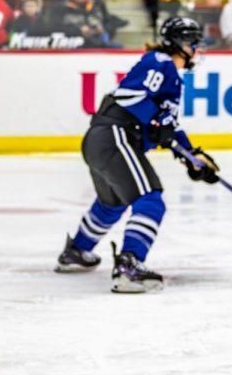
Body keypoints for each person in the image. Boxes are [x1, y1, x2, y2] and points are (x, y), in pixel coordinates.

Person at [54, 18, 216, 292]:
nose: (197, 50)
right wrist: (158, 123)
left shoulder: (170, 74)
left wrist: (193, 158)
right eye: (193, 44)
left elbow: (168, 126)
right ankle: (129, 266)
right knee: (151, 201)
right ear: (180, 44)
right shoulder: (160, 62)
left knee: (112, 203)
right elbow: (131, 96)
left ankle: (77, 252)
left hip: (101, 140)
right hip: (115, 136)